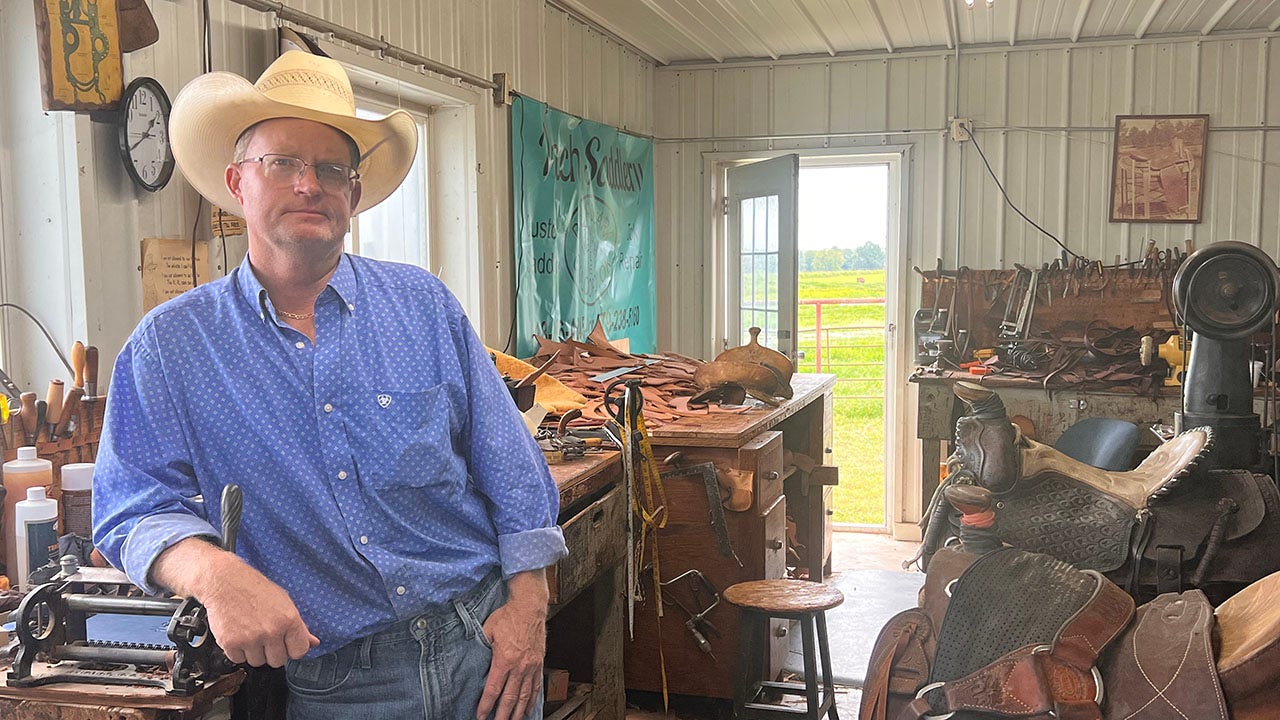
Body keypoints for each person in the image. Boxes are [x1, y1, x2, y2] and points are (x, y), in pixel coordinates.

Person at [93, 51, 567, 720]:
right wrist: (215, 574)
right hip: (343, 683)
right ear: (237, 183)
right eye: (282, 163)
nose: (308, 184)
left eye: (332, 168)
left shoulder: (424, 307)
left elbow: (512, 473)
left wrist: (529, 609)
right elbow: (130, 507)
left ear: (355, 194)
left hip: (483, 652)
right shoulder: (172, 349)